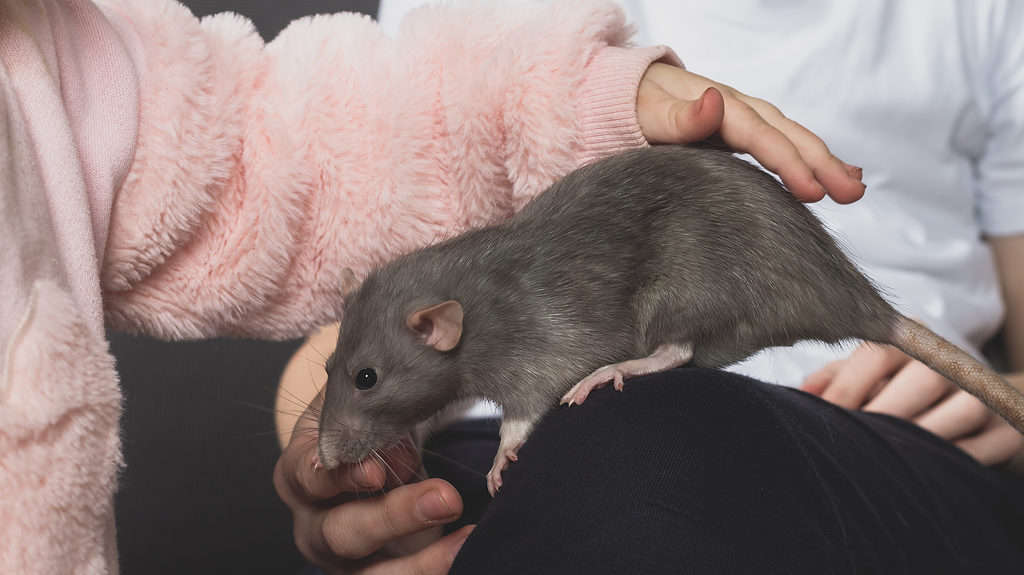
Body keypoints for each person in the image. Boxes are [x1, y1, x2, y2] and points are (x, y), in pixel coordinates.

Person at [0, 0, 861, 573]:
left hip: (807, 421)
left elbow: (288, 154)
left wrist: (572, 103)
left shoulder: (48, 52)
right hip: (568, 440)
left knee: (619, 446)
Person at [275, 0, 1024, 573]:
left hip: (887, 442)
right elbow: (376, 329)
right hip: (522, 459)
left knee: (627, 439)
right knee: (611, 447)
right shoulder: (470, 33)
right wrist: (336, 473)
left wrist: (1009, 398)